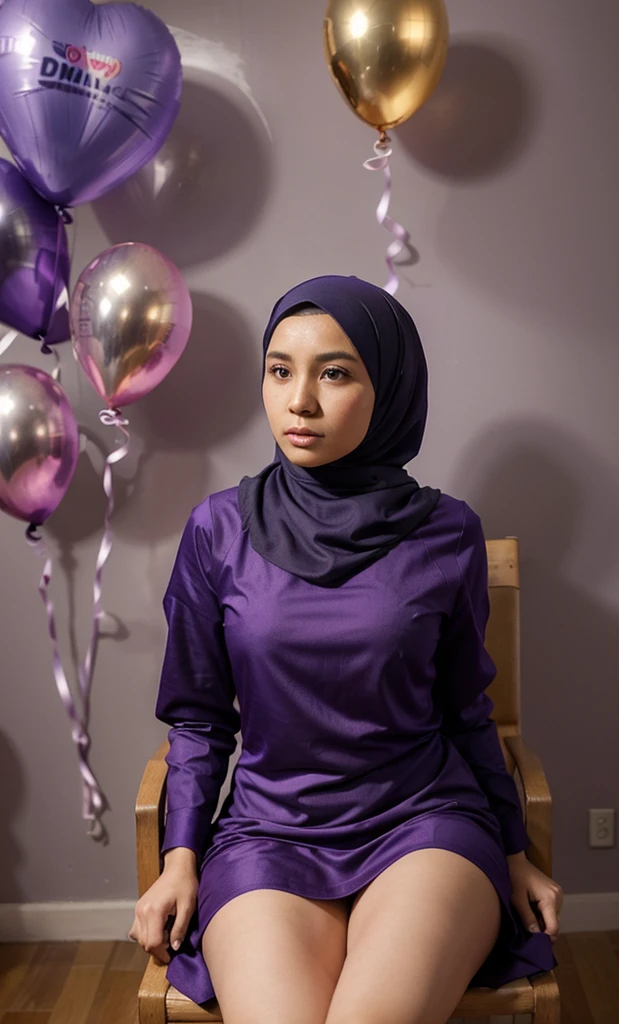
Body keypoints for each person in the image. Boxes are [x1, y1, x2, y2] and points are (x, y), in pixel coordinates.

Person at [128, 275, 562, 1024]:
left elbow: (466, 711)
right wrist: (178, 860)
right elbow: (199, 720)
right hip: (268, 833)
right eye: (279, 369)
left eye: (335, 372)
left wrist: (518, 852)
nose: (299, 400)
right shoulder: (217, 531)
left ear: (388, 387)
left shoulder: (447, 532)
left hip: (424, 824)